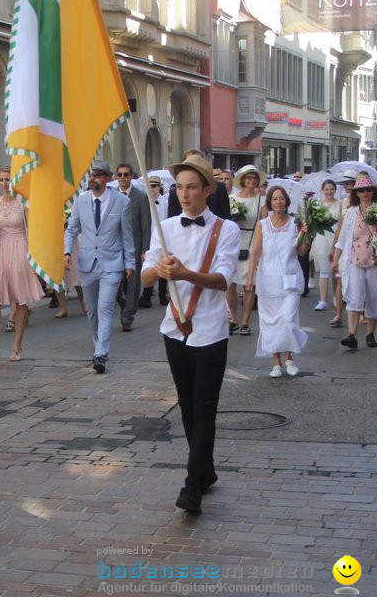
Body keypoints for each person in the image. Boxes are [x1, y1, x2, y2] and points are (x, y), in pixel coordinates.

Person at [141, 154, 239, 513]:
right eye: (180, 187)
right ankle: (206, 470)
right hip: (175, 328)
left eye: (192, 187)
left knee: (205, 407)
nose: (184, 194)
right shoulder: (164, 227)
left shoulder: (225, 229)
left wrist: (185, 274)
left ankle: (192, 486)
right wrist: (160, 271)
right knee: (186, 406)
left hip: (211, 330)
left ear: (208, 190)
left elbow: (223, 279)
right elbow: (146, 275)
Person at [64, 160, 135, 374]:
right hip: (87, 263)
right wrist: (67, 252)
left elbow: (127, 234)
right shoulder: (81, 201)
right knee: (92, 310)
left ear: (107, 178)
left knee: (106, 308)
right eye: (91, 175)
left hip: (112, 263)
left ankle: (101, 353)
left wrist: (130, 262)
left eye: (97, 175)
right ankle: (99, 347)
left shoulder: (121, 202)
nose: (92, 178)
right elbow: (72, 229)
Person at [0, 167, 44, 363]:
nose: (5, 183)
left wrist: (34, 259)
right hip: (1, 249)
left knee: (21, 299)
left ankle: (17, 345)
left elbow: (31, 231)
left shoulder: (24, 203)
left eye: (8, 179)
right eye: (1, 179)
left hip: (20, 248)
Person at [245, 186, 309, 378]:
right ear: (270, 202)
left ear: (287, 201)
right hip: (267, 280)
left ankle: (289, 358)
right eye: (275, 199)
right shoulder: (262, 225)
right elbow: (255, 252)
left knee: (288, 320)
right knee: (270, 322)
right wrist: (250, 278)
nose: (279, 202)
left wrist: (306, 234)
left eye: (281, 198)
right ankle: (276, 363)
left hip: (290, 279)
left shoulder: (295, 223)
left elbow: (302, 252)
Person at [333, 177, 377, 350]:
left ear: (373, 191)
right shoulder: (351, 212)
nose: (365, 193)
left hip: (375, 260)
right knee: (354, 296)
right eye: (361, 190)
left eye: (368, 190)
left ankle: (370, 333)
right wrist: (336, 259)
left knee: (374, 297)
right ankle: (352, 334)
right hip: (354, 260)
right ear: (356, 193)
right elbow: (343, 238)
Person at [229, 165, 267, 336]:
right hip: (233, 241)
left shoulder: (262, 200)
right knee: (229, 283)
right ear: (243, 180)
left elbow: (265, 224)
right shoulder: (231, 199)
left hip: (253, 240)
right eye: (249, 178)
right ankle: (233, 318)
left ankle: (245, 321)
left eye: (254, 178)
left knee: (249, 285)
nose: (252, 181)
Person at [114, 163, 151, 332]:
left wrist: (145, 250)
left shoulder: (141, 197)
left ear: (131, 177)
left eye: (126, 175)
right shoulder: (112, 195)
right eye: (120, 175)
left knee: (133, 284)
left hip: (135, 246)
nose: (122, 178)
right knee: (114, 283)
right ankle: (124, 305)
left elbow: (146, 225)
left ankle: (128, 316)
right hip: (114, 247)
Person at [310, 179, 341, 313]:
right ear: (322, 190)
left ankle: (336, 297)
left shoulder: (340, 204)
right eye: (326, 189)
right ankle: (322, 300)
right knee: (324, 270)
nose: (329, 192)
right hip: (321, 239)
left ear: (335, 190)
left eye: (331, 189)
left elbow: (341, 223)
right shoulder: (317, 205)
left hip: (335, 237)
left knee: (335, 270)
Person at [139, 176, 166, 309]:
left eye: (155, 186)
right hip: (149, 238)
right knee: (149, 266)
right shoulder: (143, 202)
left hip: (164, 238)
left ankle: (162, 295)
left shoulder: (165, 202)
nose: (152, 188)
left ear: (160, 187)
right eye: (149, 186)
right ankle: (146, 296)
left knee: (163, 266)